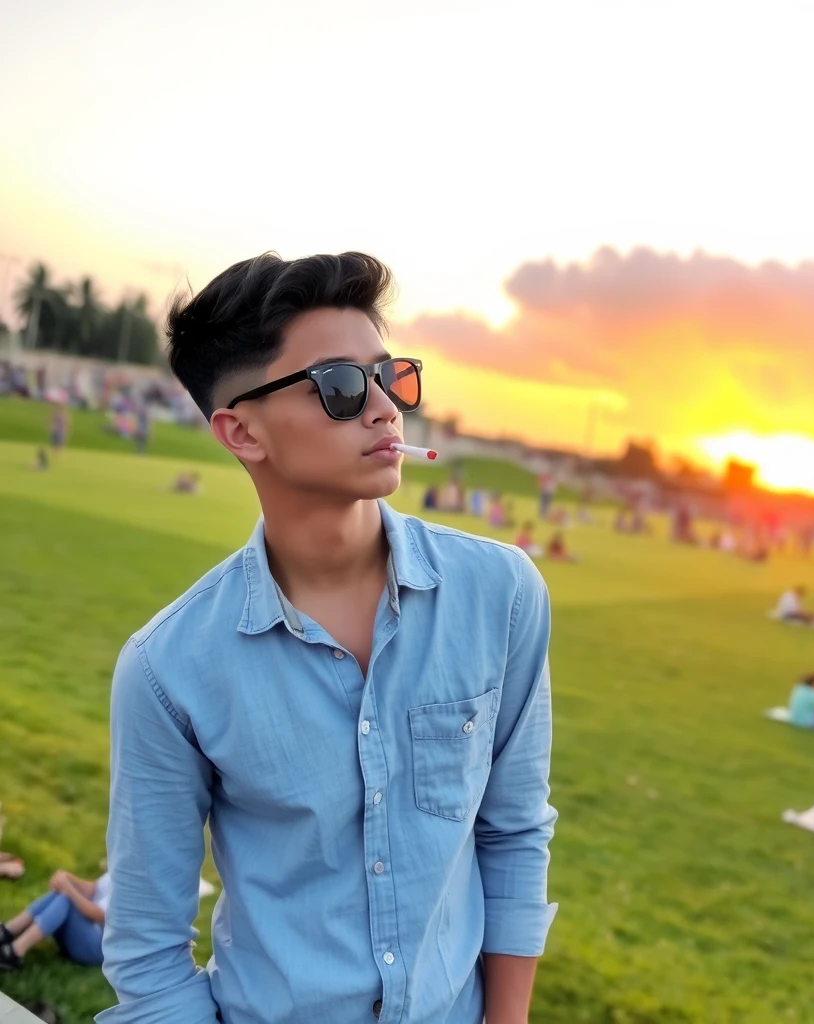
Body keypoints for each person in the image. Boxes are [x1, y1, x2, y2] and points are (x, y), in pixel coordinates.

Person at [99, 252, 557, 1024]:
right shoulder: (167, 670)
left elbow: (513, 834)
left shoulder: (502, 595)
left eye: (392, 377)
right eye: (342, 386)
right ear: (241, 431)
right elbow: (147, 950)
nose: (385, 408)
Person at [0, 868, 111, 971]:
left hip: (99, 948)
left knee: (67, 898)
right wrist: (68, 878)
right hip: (88, 932)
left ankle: (14, 953)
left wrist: (69, 890)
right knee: (62, 892)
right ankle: (8, 931)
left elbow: (99, 915)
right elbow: (94, 890)